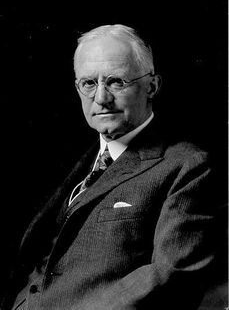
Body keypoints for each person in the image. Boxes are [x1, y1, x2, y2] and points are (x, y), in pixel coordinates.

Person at [2, 24, 219, 310]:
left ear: (152, 86)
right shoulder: (74, 160)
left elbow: (175, 273)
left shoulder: (186, 165)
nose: (101, 98)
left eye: (116, 82)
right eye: (89, 83)